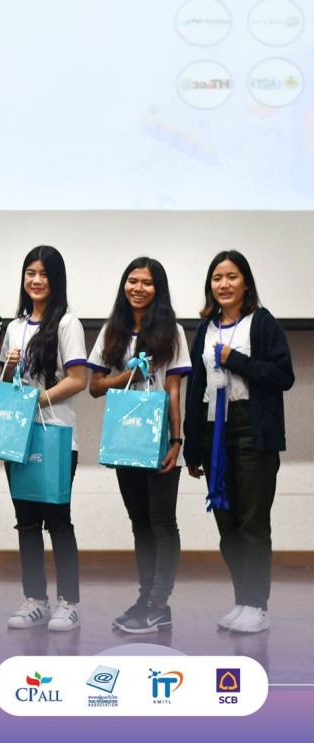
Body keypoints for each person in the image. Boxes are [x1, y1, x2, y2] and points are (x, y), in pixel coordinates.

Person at [184, 250, 294, 634]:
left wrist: (237, 360)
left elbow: (283, 376)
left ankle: (257, 606)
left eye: (232, 277)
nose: (224, 284)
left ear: (245, 282)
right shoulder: (205, 329)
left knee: (252, 524)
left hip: (252, 430)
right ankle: (242, 600)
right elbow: (196, 388)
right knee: (227, 525)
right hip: (213, 432)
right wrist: (192, 445)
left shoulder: (261, 323)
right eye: (217, 278)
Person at [88, 258, 191, 633]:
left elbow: (174, 389)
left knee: (162, 523)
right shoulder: (111, 330)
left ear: (157, 289)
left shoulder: (172, 331)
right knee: (140, 523)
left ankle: (159, 603)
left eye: (146, 282)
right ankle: (145, 598)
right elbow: (95, 387)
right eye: (132, 281)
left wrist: (176, 440)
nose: (138, 288)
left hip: (160, 437)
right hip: (127, 437)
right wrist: (128, 375)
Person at [0, 245, 87, 632]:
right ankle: (35, 599)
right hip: (18, 436)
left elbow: (78, 380)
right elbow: (7, 385)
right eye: (30, 273)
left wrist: (38, 399)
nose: (36, 281)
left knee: (58, 521)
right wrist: (9, 367)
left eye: (44, 274)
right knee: (26, 522)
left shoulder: (67, 323)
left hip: (56, 435)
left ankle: (69, 603)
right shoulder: (15, 326)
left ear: (57, 280)